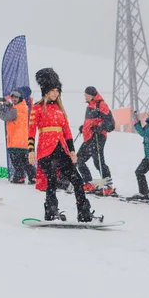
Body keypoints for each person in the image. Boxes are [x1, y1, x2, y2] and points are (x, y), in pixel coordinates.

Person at [28, 68, 100, 222]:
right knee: (51, 181)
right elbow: (31, 130)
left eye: (57, 90)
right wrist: (30, 151)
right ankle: (51, 211)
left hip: (61, 150)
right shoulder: (37, 108)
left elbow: (67, 131)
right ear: (46, 91)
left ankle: (83, 212)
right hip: (46, 150)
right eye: (53, 90)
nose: (55, 93)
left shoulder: (60, 109)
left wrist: (72, 151)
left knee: (77, 180)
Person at [77, 86, 115, 195]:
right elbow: (90, 121)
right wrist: (83, 127)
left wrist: (100, 127)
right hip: (88, 137)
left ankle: (108, 186)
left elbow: (111, 123)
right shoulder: (90, 106)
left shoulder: (101, 105)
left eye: (86, 94)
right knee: (79, 159)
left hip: (98, 137)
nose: (84, 96)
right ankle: (89, 183)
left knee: (98, 161)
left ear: (91, 95)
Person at [0, 88, 36, 184]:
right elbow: (15, 112)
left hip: (16, 140)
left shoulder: (16, 110)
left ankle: (19, 177)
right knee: (25, 161)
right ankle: (33, 176)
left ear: (20, 98)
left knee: (16, 161)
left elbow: (5, 117)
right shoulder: (24, 107)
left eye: (16, 97)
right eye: (12, 97)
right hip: (23, 140)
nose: (14, 99)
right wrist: (9, 105)